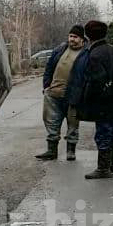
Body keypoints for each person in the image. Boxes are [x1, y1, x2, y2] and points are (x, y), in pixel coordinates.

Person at [69, 20, 113, 179]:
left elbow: (96, 81)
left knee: (103, 133)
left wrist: (86, 100)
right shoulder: (112, 51)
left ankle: (104, 168)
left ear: (87, 36)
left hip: (103, 103)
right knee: (110, 132)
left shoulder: (95, 54)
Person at [35, 25, 86, 161]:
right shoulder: (60, 49)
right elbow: (49, 68)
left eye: (75, 37)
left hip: (73, 96)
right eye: (70, 36)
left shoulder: (86, 53)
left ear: (82, 39)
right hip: (53, 94)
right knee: (51, 122)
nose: (72, 39)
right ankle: (51, 150)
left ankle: (71, 151)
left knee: (73, 124)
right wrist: (46, 86)